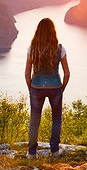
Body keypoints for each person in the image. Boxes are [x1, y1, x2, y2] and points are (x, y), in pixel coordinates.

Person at [25, 18, 70, 159]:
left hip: (36, 87)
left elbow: (27, 73)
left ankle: (32, 153)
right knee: (56, 119)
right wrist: (61, 88)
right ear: (53, 31)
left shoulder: (32, 49)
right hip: (55, 87)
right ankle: (55, 151)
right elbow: (67, 73)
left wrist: (30, 88)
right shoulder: (60, 49)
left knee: (35, 120)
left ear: (38, 31)